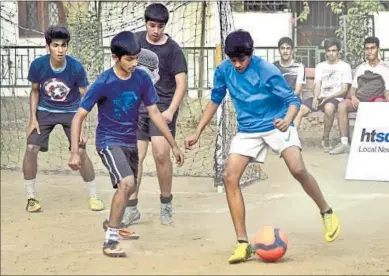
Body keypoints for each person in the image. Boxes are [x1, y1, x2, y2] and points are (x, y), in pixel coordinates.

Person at [184, 30, 340, 264]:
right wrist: (197, 131)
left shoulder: (266, 70)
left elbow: (293, 101)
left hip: (277, 123)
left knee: (298, 169)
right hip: (248, 130)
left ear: (251, 54)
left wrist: (288, 120)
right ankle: (242, 243)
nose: (237, 65)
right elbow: (215, 100)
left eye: (241, 60)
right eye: (233, 60)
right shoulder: (224, 70)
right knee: (229, 176)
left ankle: (326, 211)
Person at [68, 31, 185, 257]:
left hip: (129, 141)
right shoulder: (104, 82)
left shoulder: (142, 79)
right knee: (127, 182)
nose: (134, 63)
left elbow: (155, 113)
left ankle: (113, 222)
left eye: (137, 58)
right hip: (108, 141)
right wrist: (75, 152)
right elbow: (78, 117)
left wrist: (173, 144)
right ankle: (110, 241)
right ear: (115, 57)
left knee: (128, 186)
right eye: (129, 59)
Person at [23, 25, 104, 213]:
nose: (60, 50)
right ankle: (31, 197)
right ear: (48, 47)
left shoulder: (76, 67)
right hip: (45, 110)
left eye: (63, 45)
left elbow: (85, 97)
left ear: (67, 47)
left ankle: (94, 195)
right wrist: (33, 119)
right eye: (56, 45)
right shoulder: (38, 65)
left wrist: (83, 126)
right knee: (31, 147)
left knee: (81, 152)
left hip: (72, 112)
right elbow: (34, 91)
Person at [121, 3, 188, 226]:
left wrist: (171, 110)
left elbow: (181, 84)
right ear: (146, 23)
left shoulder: (173, 50)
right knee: (135, 156)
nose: (156, 30)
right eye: (152, 25)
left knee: (161, 154)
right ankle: (131, 207)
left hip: (162, 108)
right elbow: (121, 68)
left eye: (160, 26)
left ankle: (166, 202)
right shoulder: (135, 42)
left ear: (165, 26)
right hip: (137, 108)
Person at [329, 36, 389, 155]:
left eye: (372, 48)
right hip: (360, 100)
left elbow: (388, 91)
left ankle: (376, 142)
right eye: (367, 48)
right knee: (342, 105)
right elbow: (353, 88)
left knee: (379, 105)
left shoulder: (386, 69)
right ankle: (344, 143)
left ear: (378, 49)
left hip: (376, 99)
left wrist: (387, 105)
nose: (369, 51)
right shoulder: (361, 68)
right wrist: (353, 97)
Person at [294, 38, 352, 151]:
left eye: (334, 50)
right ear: (325, 52)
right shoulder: (320, 66)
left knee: (329, 108)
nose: (331, 53)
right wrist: (315, 97)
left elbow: (344, 89)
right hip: (320, 97)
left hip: (335, 98)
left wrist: (328, 97)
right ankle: (292, 141)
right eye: (328, 50)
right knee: (299, 108)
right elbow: (318, 84)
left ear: (338, 52)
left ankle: (325, 138)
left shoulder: (344, 66)